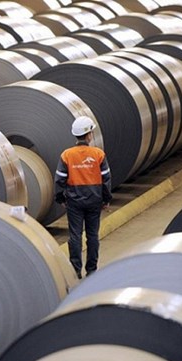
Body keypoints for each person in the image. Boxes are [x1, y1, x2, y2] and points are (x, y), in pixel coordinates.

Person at [54, 116, 112, 279]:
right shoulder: (98, 154)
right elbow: (106, 179)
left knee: (75, 235)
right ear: (88, 135)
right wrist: (106, 199)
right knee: (92, 235)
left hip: (74, 202)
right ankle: (91, 269)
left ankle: (76, 270)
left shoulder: (67, 155)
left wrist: (61, 199)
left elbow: (59, 179)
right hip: (94, 200)